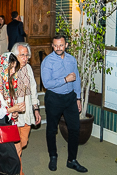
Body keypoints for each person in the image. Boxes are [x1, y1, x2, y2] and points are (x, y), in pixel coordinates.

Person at [40, 35, 88, 173]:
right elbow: (47, 83)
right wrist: (65, 79)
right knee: (51, 129)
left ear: (66, 45)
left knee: (75, 129)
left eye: (61, 45)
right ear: (52, 46)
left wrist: (78, 98)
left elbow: (77, 79)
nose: (58, 48)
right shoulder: (48, 61)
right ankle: (53, 156)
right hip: (54, 98)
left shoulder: (72, 60)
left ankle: (71, 160)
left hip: (70, 99)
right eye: (55, 46)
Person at [11, 42, 41, 175]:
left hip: (27, 111)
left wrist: (36, 109)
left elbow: (34, 89)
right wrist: (12, 109)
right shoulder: (9, 69)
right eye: (22, 55)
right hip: (15, 113)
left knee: (23, 142)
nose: (25, 58)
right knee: (16, 148)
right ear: (15, 55)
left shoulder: (28, 68)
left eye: (26, 55)